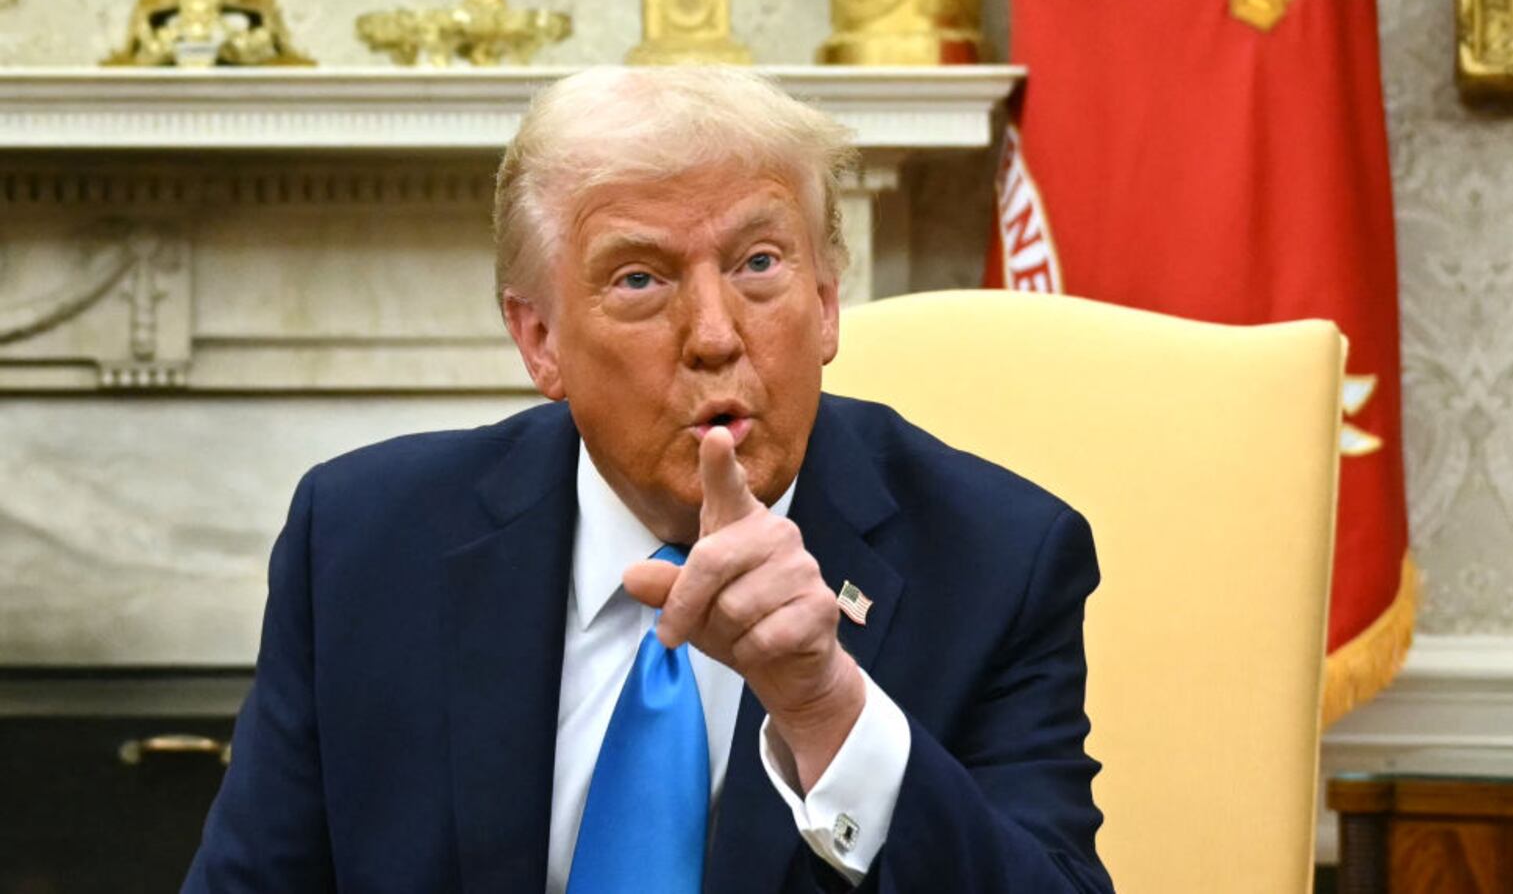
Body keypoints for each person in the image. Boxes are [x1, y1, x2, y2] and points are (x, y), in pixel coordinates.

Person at [183, 66, 1113, 894]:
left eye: (758, 264)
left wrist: (826, 706)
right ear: (539, 340)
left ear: (827, 303)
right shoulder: (362, 542)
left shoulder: (997, 560)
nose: (715, 334)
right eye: (639, 280)